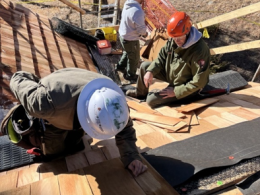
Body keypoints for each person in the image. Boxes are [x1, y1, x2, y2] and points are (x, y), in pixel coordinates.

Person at [0, 68, 147, 177]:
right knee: (53, 156)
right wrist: (39, 87)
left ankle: (71, 133)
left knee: (74, 147)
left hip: (69, 107)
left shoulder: (114, 102)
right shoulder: (42, 103)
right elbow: (18, 77)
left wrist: (131, 157)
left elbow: (124, 129)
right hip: (53, 110)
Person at [126, 11, 211, 108]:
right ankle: (140, 93)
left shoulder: (199, 50)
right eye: (174, 38)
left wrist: (176, 92)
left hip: (186, 86)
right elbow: (161, 58)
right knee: (145, 67)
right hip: (173, 75)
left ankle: (188, 97)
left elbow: (199, 82)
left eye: (179, 38)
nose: (176, 41)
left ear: (187, 32)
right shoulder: (174, 39)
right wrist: (151, 71)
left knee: (151, 100)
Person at [116, 0, 148, 82]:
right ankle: (130, 75)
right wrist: (145, 34)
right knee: (134, 58)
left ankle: (120, 67)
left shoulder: (128, 3)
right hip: (131, 39)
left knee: (127, 52)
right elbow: (141, 30)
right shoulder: (138, 11)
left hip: (123, 35)